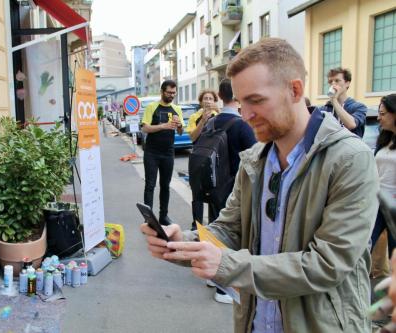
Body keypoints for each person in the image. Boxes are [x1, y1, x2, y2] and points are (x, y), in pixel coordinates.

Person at [141, 38, 379, 332]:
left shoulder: (351, 159)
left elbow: (327, 264)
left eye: (256, 100)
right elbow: (229, 228)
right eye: (241, 103)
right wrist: (183, 243)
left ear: (295, 90)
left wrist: (228, 265)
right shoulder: (255, 159)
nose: (246, 115)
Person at [198, 79, 256, 304]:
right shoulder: (241, 125)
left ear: (220, 96)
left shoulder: (212, 122)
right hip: (234, 187)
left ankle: (212, 276)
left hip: (213, 185)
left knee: (214, 229)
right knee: (233, 235)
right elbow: (255, 158)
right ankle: (224, 289)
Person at [141, 80, 184, 226]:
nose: (172, 95)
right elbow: (145, 128)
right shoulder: (152, 107)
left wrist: (179, 126)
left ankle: (163, 216)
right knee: (150, 185)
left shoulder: (177, 109)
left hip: (168, 152)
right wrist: (164, 126)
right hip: (152, 152)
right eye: (169, 92)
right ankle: (148, 218)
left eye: (174, 93)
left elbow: (180, 131)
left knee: (165, 185)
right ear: (162, 91)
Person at [186, 90, 219, 230]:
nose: (208, 101)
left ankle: (214, 224)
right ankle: (197, 224)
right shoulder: (194, 117)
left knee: (214, 191)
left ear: (214, 101)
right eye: (205, 98)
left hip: (214, 158)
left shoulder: (219, 116)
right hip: (198, 157)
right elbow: (193, 137)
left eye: (211, 98)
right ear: (200, 101)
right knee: (197, 191)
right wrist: (203, 120)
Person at [370, 94, 396, 255]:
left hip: (393, 206)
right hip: (377, 202)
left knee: (394, 253)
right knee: (364, 244)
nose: (379, 118)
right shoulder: (385, 139)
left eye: (382, 113)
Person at [318, 67, 367, 137]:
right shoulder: (324, 110)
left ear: (347, 83)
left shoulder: (358, 107)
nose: (333, 84)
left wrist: (334, 100)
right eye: (330, 81)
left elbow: (351, 124)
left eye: (337, 80)